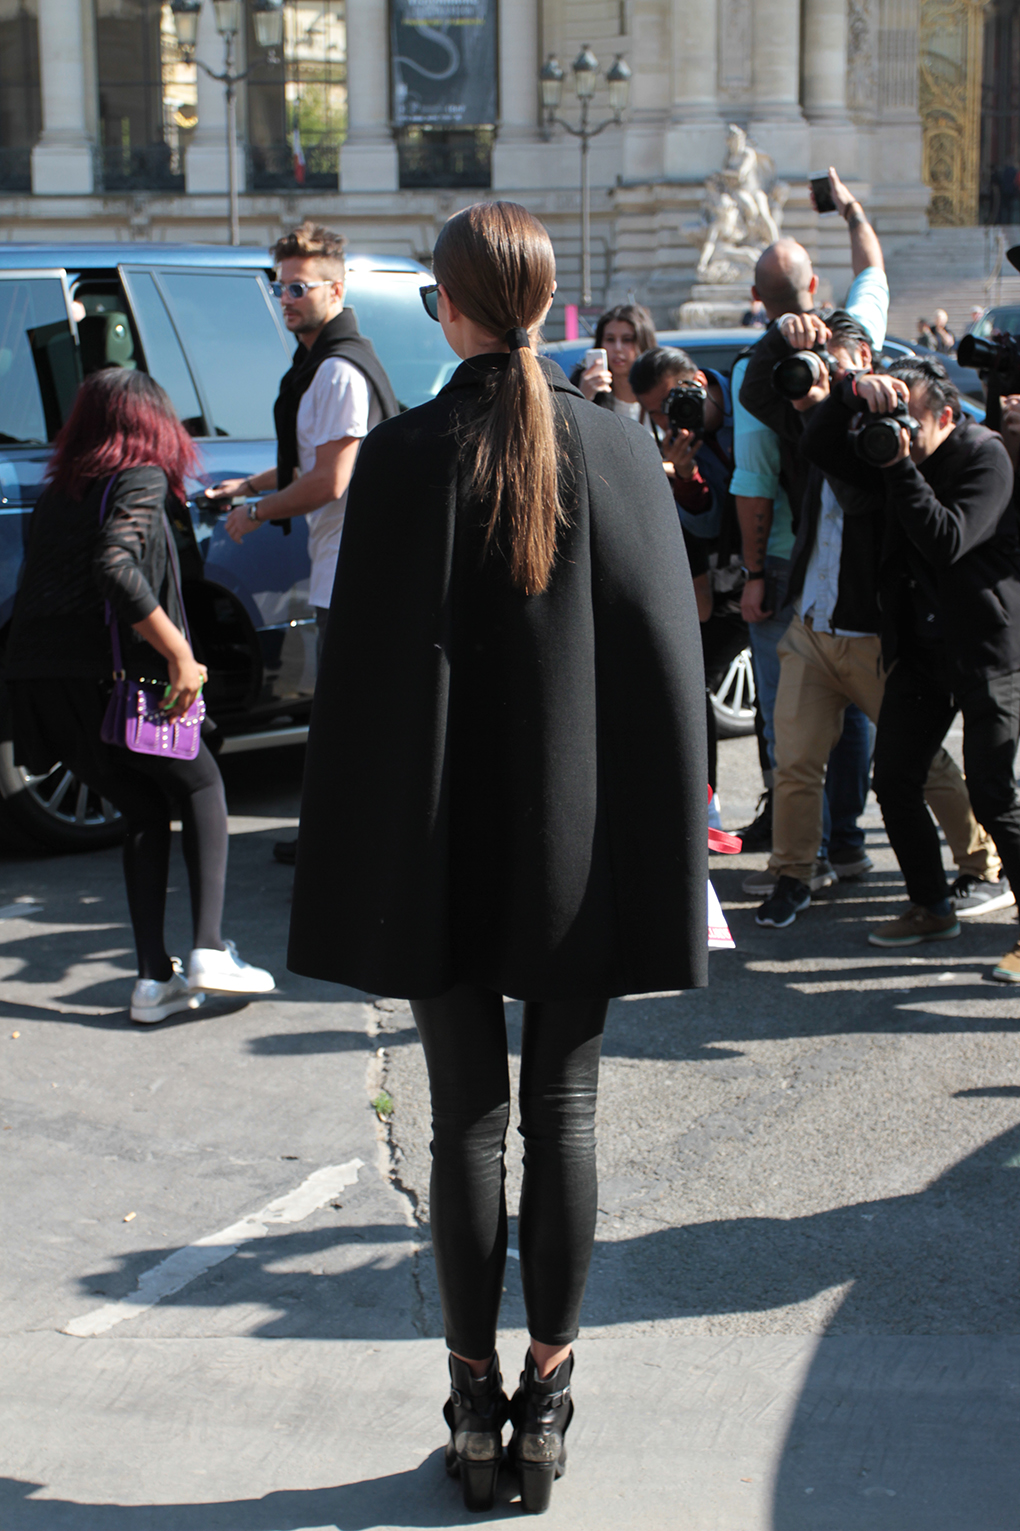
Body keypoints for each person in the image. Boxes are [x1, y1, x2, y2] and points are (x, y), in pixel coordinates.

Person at [287, 202, 708, 1514]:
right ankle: (549, 1393)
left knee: (466, 1112)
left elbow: (364, 685)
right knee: (564, 1108)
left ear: (454, 308)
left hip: (439, 836)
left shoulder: (408, 454)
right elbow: (668, 663)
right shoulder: (615, 443)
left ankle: (476, 1407)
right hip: (578, 836)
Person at [4, 368, 274, 1023]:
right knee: (203, 786)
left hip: (44, 685)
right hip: (117, 681)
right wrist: (179, 653)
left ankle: (153, 981)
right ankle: (209, 950)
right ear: (154, 421)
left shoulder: (60, 490)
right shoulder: (141, 476)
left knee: (145, 808)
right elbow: (116, 565)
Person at [739, 314, 1006, 929]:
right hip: (812, 621)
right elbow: (757, 391)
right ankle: (795, 873)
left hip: (873, 633)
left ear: (870, 363)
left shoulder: (894, 434)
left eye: (843, 363)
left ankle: (981, 861)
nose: (831, 373)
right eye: (826, 363)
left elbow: (862, 492)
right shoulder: (815, 420)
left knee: (921, 765)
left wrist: (852, 405)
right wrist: (784, 340)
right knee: (794, 761)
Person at [203, 220, 399, 866]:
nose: (284, 299)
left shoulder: (339, 371)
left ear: (335, 290)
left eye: (297, 287)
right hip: (340, 564)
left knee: (352, 713)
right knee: (344, 711)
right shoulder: (319, 365)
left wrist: (256, 512)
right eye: (278, 286)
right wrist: (249, 483)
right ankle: (338, 838)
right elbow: (309, 460)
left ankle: (351, 849)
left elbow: (330, 479)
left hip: (355, 568)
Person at [837, 356, 1020, 974]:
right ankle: (931, 907)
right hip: (922, 646)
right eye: (892, 417)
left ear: (945, 414)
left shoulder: (984, 457)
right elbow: (818, 448)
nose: (899, 432)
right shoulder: (888, 448)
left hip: (987, 645)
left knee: (994, 795)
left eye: (909, 420)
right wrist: (851, 394)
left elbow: (947, 539)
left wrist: (898, 467)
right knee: (893, 779)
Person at [730, 165, 886, 871]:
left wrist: (754, 573)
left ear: (756, 300)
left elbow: (753, 482)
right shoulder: (856, 333)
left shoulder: (765, 370)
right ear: (815, 287)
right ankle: (841, 840)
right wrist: (850, 211)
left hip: (793, 561)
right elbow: (873, 272)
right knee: (851, 710)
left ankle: (816, 848)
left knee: (792, 716)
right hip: (856, 562)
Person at [630, 345, 746, 815]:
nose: (667, 420)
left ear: (697, 381)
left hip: (774, 574)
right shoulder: (682, 444)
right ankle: (706, 810)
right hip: (729, 586)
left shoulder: (748, 409)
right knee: (690, 688)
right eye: (656, 415)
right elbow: (709, 524)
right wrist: (685, 475)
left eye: (670, 404)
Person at [569, 302, 656, 425]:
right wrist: (583, 397)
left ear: (643, 343)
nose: (617, 348)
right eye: (610, 339)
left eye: (627, 340)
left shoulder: (659, 392)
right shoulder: (582, 386)